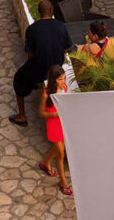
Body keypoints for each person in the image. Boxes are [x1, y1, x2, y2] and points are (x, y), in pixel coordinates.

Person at [10, 1, 73, 127]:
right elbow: (66, 48)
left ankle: (22, 116)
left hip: (39, 69)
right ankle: (34, 83)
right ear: (52, 10)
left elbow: (30, 55)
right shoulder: (61, 26)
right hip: (56, 68)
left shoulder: (32, 29)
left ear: (39, 12)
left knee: (18, 78)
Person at [37, 64, 73, 196]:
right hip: (53, 124)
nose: (62, 81)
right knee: (61, 153)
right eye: (59, 79)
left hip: (63, 123)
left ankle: (45, 162)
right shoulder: (46, 94)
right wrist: (55, 114)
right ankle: (63, 182)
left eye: (63, 78)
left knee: (60, 148)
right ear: (53, 79)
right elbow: (41, 113)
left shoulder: (64, 88)